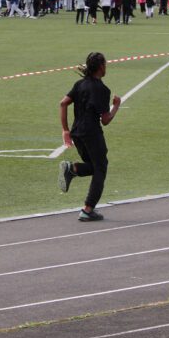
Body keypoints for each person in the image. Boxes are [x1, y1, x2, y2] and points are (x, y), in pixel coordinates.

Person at [58, 52, 122, 222]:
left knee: (94, 166)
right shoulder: (102, 90)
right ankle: (88, 209)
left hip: (77, 133)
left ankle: (73, 169)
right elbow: (105, 120)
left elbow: (63, 103)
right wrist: (116, 106)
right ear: (101, 67)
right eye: (105, 64)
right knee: (101, 168)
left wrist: (65, 130)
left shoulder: (79, 84)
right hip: (92, 133)